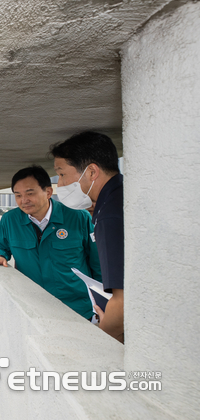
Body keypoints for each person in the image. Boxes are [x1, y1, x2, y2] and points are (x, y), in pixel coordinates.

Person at [0, 165, 102, 320]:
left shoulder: (78, 217)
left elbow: (98, 262)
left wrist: (104, 302)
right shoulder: (10, 220)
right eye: (18, 195)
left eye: (30, 193)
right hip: (33, 309)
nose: (24, 200)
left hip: (77, 309)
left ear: (48, 192)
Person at [51, 131, 124, 343]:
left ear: (92, 171)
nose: (61, 185)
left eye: (62, 174)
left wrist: (100, 339)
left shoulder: (109, 216)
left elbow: (122, 303)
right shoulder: (121, 197)